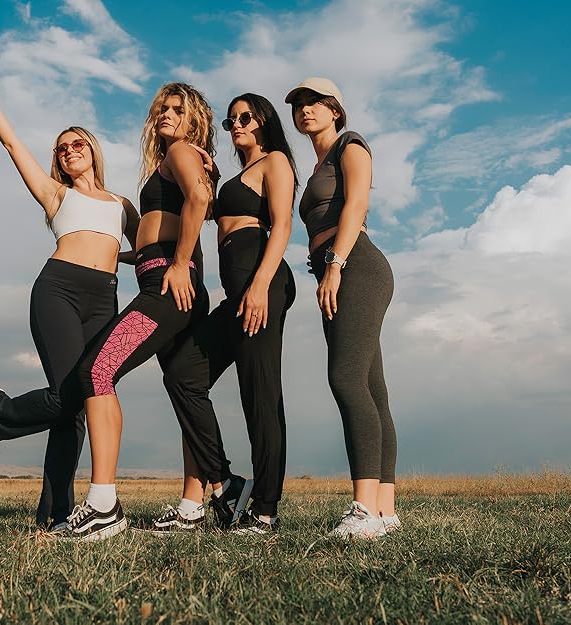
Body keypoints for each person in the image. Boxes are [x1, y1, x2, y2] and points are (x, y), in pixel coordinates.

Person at [47, 82, 240, 541]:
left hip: (169, 287)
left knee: (97, 369)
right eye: (162, 110)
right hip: (169, 279)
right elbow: (192, 206)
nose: (166, 116)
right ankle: (194, 504)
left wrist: (176, 263)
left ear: (195, 119)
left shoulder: (181, 152)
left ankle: (102, 506)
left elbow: (196, 200)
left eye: (178, 109)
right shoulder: (181, 157)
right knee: (182, 390)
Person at [0, 75, 139, 531]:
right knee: (68, 399)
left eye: (76, 143)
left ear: (92, 149)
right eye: (61, 148)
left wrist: (114, 255)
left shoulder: (122, 204)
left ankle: (56, 516)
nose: (68, 150)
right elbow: (11, 145)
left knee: (83, 404)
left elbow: (147, 249)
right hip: (58, 290)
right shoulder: (54, 192)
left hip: (104, 298)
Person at [159, 93, 297, 535]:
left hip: (261, 276)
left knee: (260, 393)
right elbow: (204, 210)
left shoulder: (275, 161)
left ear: (263, 122)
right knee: (183, 374)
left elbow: (283, 226)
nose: (236, 124)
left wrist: (259, 286)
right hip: (236, 288)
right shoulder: (236, 175)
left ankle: (266, 511)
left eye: (245, 117)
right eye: (230, 119)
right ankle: (226, 480)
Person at [286, 77, 398, 538]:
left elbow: (356, 206)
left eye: (315, 103)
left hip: (356, 266)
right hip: (337, 269)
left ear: (335, 109)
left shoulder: (351, 146)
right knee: (372, 388)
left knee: (346, 379)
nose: (305, 110)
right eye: (298, 105)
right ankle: (386, 511)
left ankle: (364, 509)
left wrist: (334, 265)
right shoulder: (316, 167)